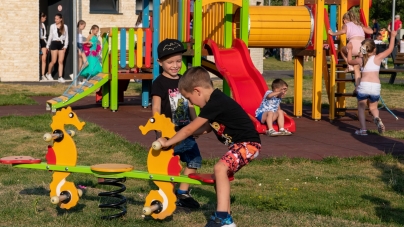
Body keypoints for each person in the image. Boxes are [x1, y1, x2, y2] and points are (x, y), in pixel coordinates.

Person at [155, 66, 261, 227]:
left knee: (220, 169)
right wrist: (187, 135)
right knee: (220, 175)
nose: (191, 103)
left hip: (248, 145)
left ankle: (222, 217)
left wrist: (168, 142)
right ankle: (227, 219)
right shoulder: (214, 103)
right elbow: (206, 128)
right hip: (241, 146)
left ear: (197, 91)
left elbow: (190, 128)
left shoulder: (215, 102)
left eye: (189, 99)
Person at [151, 38, 202, 210]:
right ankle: (168, 193)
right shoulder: (159, 83)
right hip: (168, 134)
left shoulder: (184, 81)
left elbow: (190, 104)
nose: (175, 65)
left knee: (194, 160)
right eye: (170, 62)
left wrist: (195, 124)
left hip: (186, 131)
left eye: (178, 61)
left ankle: (183, 193)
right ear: (160, 62)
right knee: (169, 166)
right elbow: (156, 107)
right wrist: (158, 132)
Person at [346, 30, 397, 136]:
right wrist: (392, 36)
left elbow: (350, 61)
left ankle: (363, 130)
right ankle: (377, 118)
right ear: (374, 49)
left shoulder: (361, 60)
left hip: (364, 86)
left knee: (361, 107)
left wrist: (350, 49)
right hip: (375, 87)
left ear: (363, 49)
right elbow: (390, 49)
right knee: (373, 107)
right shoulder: (378, 58)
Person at [328, 10, 373, 92]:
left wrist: (332, 33)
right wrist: (368, 27)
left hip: (354, 44)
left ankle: (349, 66)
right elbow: (371, 31)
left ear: (345, 19)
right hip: (363, 46)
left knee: (342, 50)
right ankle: (358, 87)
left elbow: (343, 31)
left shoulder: (346, 24)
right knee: (357, 67)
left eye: (343, 20)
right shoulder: (359, 25)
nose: (343, 22)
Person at [46, 13, 69, 83]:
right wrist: (47, 45)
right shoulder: (52, 26)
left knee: (61, 61)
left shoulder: (65, 26)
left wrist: (65, 46)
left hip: (61, 44)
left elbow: (67, 37)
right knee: (53, 61)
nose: (55, 20)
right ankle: (48, 73)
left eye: (57, 19)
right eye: (55, 19)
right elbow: (50, 36)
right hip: (54, 43)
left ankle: (60, 77)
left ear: (61, 19)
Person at [39, 13, 48, 81]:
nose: (45, 19)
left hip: (43, 41)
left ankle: (43, 74)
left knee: (44, 59)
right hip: (38, 41)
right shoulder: (38, 24)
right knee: (39, 58)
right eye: (44, 18)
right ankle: (38, 74)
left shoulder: (43, 25)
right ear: (41, 17)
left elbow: (44, 35)